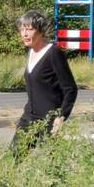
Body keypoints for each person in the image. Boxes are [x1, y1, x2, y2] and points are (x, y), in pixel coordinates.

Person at [12, 10, 77, 149]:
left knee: (50, 166)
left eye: (29, 29)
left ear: (41, 31)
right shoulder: (30, 51)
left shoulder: (53, 52)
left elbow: (70, 89)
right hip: (29, 118)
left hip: (49, 121)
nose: (24, 34)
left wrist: (61, 117)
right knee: (12, 159)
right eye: (22, 29)